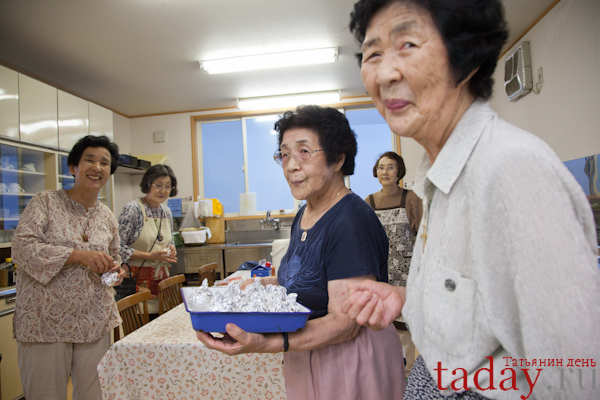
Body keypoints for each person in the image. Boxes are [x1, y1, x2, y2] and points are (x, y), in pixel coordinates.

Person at [342, 1, 600, 399]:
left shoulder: (511, 171)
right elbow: (478, 314)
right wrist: (405, 298)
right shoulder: (438, 173)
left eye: (408, 44)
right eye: (373, 54)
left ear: (467, 57)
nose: (385, 73)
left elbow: (575, 376)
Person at [196, 105, 407, 400]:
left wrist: (268, 342)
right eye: (284, 154)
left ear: (337, 159)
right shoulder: (305, 213)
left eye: (304, 152)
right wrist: (259, 286)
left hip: (349, 361)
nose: (291, 165)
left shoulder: (351, 220)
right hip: (307, 354)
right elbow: (305, 281)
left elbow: (345, 324)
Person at [12, 135, 127, 400]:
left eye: (104, 163)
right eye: (90, 160)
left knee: (94, 395)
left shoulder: (107, 215)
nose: (97, 167)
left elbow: (114, 256)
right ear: (73, 167)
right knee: (45, 395)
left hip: (93, 321)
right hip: (45, 322)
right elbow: (22, 248)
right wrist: (77, 255)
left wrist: (115, 271)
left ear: (109, 173)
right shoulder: (46, 202)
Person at [364, 151, 422, 373]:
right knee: (382, 327)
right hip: (381, 275)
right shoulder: (369, 202)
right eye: (381, 167)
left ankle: (408, 380)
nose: (385, 171)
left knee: (406, 331)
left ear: (399, 172)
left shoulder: (411, 198)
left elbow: (425, 235)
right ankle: (388, 378)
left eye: (390, 167)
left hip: (408, 276)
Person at [117, 164, 178, 314]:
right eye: (158, 185)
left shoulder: (167, 212)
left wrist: (172, 248)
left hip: (160, 281)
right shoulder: (133, 209)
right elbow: (117, 247)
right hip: (134, 282)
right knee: (138, 331)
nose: (163, 191)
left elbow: (168, 240)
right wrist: (148, 256)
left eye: (168, 186)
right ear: (148, 184)